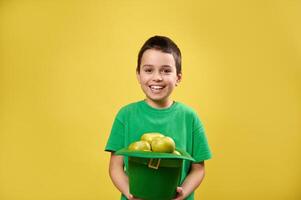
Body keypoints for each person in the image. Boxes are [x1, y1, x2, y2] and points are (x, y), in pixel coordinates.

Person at [105, 35, 212, 200]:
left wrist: (182, 193)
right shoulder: (125, 115)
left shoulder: (190, 118)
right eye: (148, 70)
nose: (157, 77)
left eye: (166, 70)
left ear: (178, 77)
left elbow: (198, 168)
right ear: (138, 75)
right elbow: (115, 167)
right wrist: (130, 193)